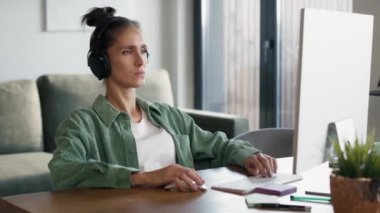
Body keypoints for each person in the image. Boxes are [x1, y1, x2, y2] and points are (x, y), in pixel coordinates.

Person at [48, 6, 277, 192]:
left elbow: (217, 146)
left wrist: (250, 156)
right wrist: (144, 178)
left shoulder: (168, 116)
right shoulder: (82, 125)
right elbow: (63, 170)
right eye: (127, 52)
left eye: (143, 50)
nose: (141, 61)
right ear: (102, 62)